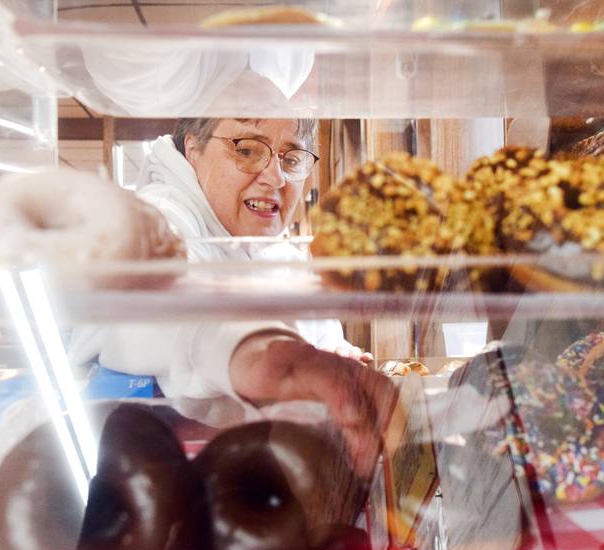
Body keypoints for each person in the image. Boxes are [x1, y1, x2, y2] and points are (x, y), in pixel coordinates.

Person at [70, 118, 393, 476]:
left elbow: (318, 341)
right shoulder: (160, 219)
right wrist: (262, 357)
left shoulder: (274, 250)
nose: (277, 178)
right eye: (248, 150)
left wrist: (331, 355)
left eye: (291, 158)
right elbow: (162, 314)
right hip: (141, 480)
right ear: (193, 151)